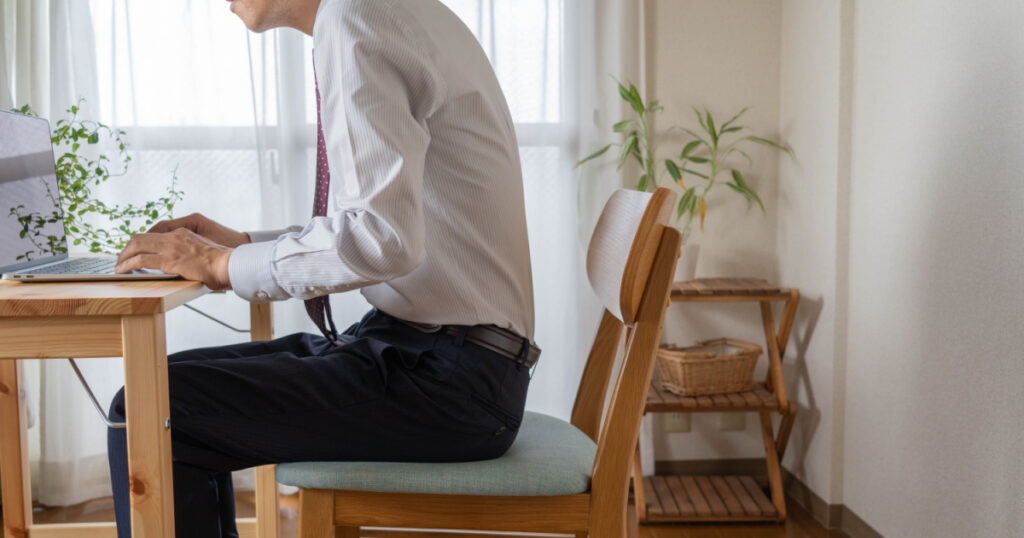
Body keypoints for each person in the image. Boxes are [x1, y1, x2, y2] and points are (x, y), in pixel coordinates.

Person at [107, 0, 537, 536]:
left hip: (445, 380)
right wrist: (242, 245)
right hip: (445, 359)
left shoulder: (358, 18)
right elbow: (380, 221)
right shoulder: (378, 11)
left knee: (152, 411)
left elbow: (381, 241)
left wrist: (221, 264)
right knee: (158, 394)